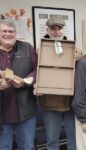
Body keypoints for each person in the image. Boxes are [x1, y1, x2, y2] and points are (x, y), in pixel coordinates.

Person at [38, 17, 82, 150]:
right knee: (52, 141)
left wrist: (80, 60)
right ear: (48, 30)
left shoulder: (75, 50)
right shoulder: (40, 50)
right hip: (50, 102)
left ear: (63, 29)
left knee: (73, 139)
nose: (56, 32)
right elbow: (36, 74)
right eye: (53, 28)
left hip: (71, 102)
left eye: (59, 28)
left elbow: (82, 74)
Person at [0, 19, 38, 150]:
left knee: (27, 147)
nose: (7, 34)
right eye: (4, 31)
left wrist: (26, 81)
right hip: (2, 116)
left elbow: (38, 69)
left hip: (26, 112)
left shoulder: (27, 48)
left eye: (11, 31)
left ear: (16, 33)